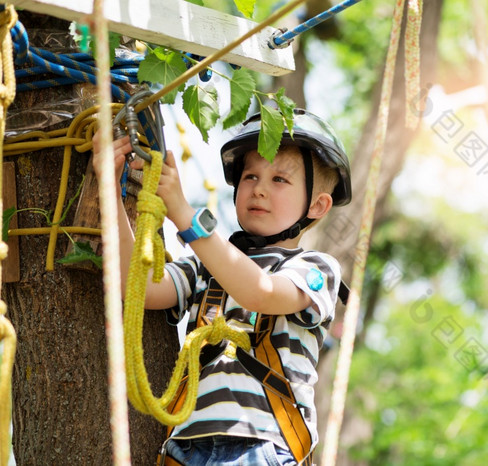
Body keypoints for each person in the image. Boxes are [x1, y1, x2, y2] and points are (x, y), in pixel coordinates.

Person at [95, 108, 352, 465]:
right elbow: (136, 288)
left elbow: (259, 291)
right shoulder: (207, 266)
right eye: (250, 176)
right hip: (185, 449)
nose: (259, 189)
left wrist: (185, 216)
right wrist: (108, 188)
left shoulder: (315, 269)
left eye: (279, 179)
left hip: (262, 447)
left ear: (318, 205)